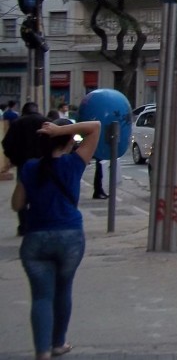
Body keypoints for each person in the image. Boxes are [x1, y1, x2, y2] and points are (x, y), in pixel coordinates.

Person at [12, 117, 101, 360]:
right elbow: (95, 127)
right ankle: (58, 343)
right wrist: (61, 129)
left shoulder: (30, 168)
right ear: (70, 141)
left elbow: (17, 204)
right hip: (70, 237)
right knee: (63, 290)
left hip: (36, 239)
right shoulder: (74, 163)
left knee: (41, 296)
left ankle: (42, 352)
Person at [2, 103, 49, 235]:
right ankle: (39, 222)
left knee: (22, 193)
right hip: (44, 164)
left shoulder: (17, 123)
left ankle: (23, 225)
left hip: (23, 164)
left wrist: (14, 159)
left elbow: (6, 143)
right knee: (42, 191)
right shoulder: (46, 122)